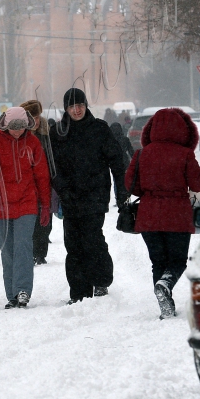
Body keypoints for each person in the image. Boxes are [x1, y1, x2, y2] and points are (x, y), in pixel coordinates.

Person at [126, 108, 200, 319]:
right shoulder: (184, 154)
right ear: (183, 130)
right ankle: (166, 284)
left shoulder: (142, 154)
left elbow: (131, 186)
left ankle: (165, 303)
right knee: (177, 261)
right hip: (177, 216)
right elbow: (199, 184)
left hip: (149, 216)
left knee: (158, 262)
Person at [50, 88, 127, 304]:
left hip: (95, 195)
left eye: (80, 105)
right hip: (70, 197)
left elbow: (116, 161)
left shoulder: (99, 128)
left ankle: (101, 280)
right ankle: (79, 293)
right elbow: (52, 167)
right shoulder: (58, 133)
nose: (77, 110)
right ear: (66, 108)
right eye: (72, 106)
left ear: (86, 106)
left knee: (92, 239)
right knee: (73, 246)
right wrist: (64, 190)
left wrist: (121, 192)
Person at [0, 107, 51, 308]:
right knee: (8, 250)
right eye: (14, 128)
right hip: (1, 204)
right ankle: (11, 294)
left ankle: (22, 291)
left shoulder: (33, 143)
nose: (17, 132)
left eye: (21, 127)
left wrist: (45, 205)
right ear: (6, 125)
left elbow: (42, 175)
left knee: (23, 246)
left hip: (27, 203)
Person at [21, 100, 56, 266]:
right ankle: (32, 252)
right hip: (26, 186)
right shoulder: (20, 136)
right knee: (30, 221)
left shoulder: (47, 134)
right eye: (31, 117)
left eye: (37, 117)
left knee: (45, 221)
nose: (35, 121)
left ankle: (41, 253)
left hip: (45, 183)